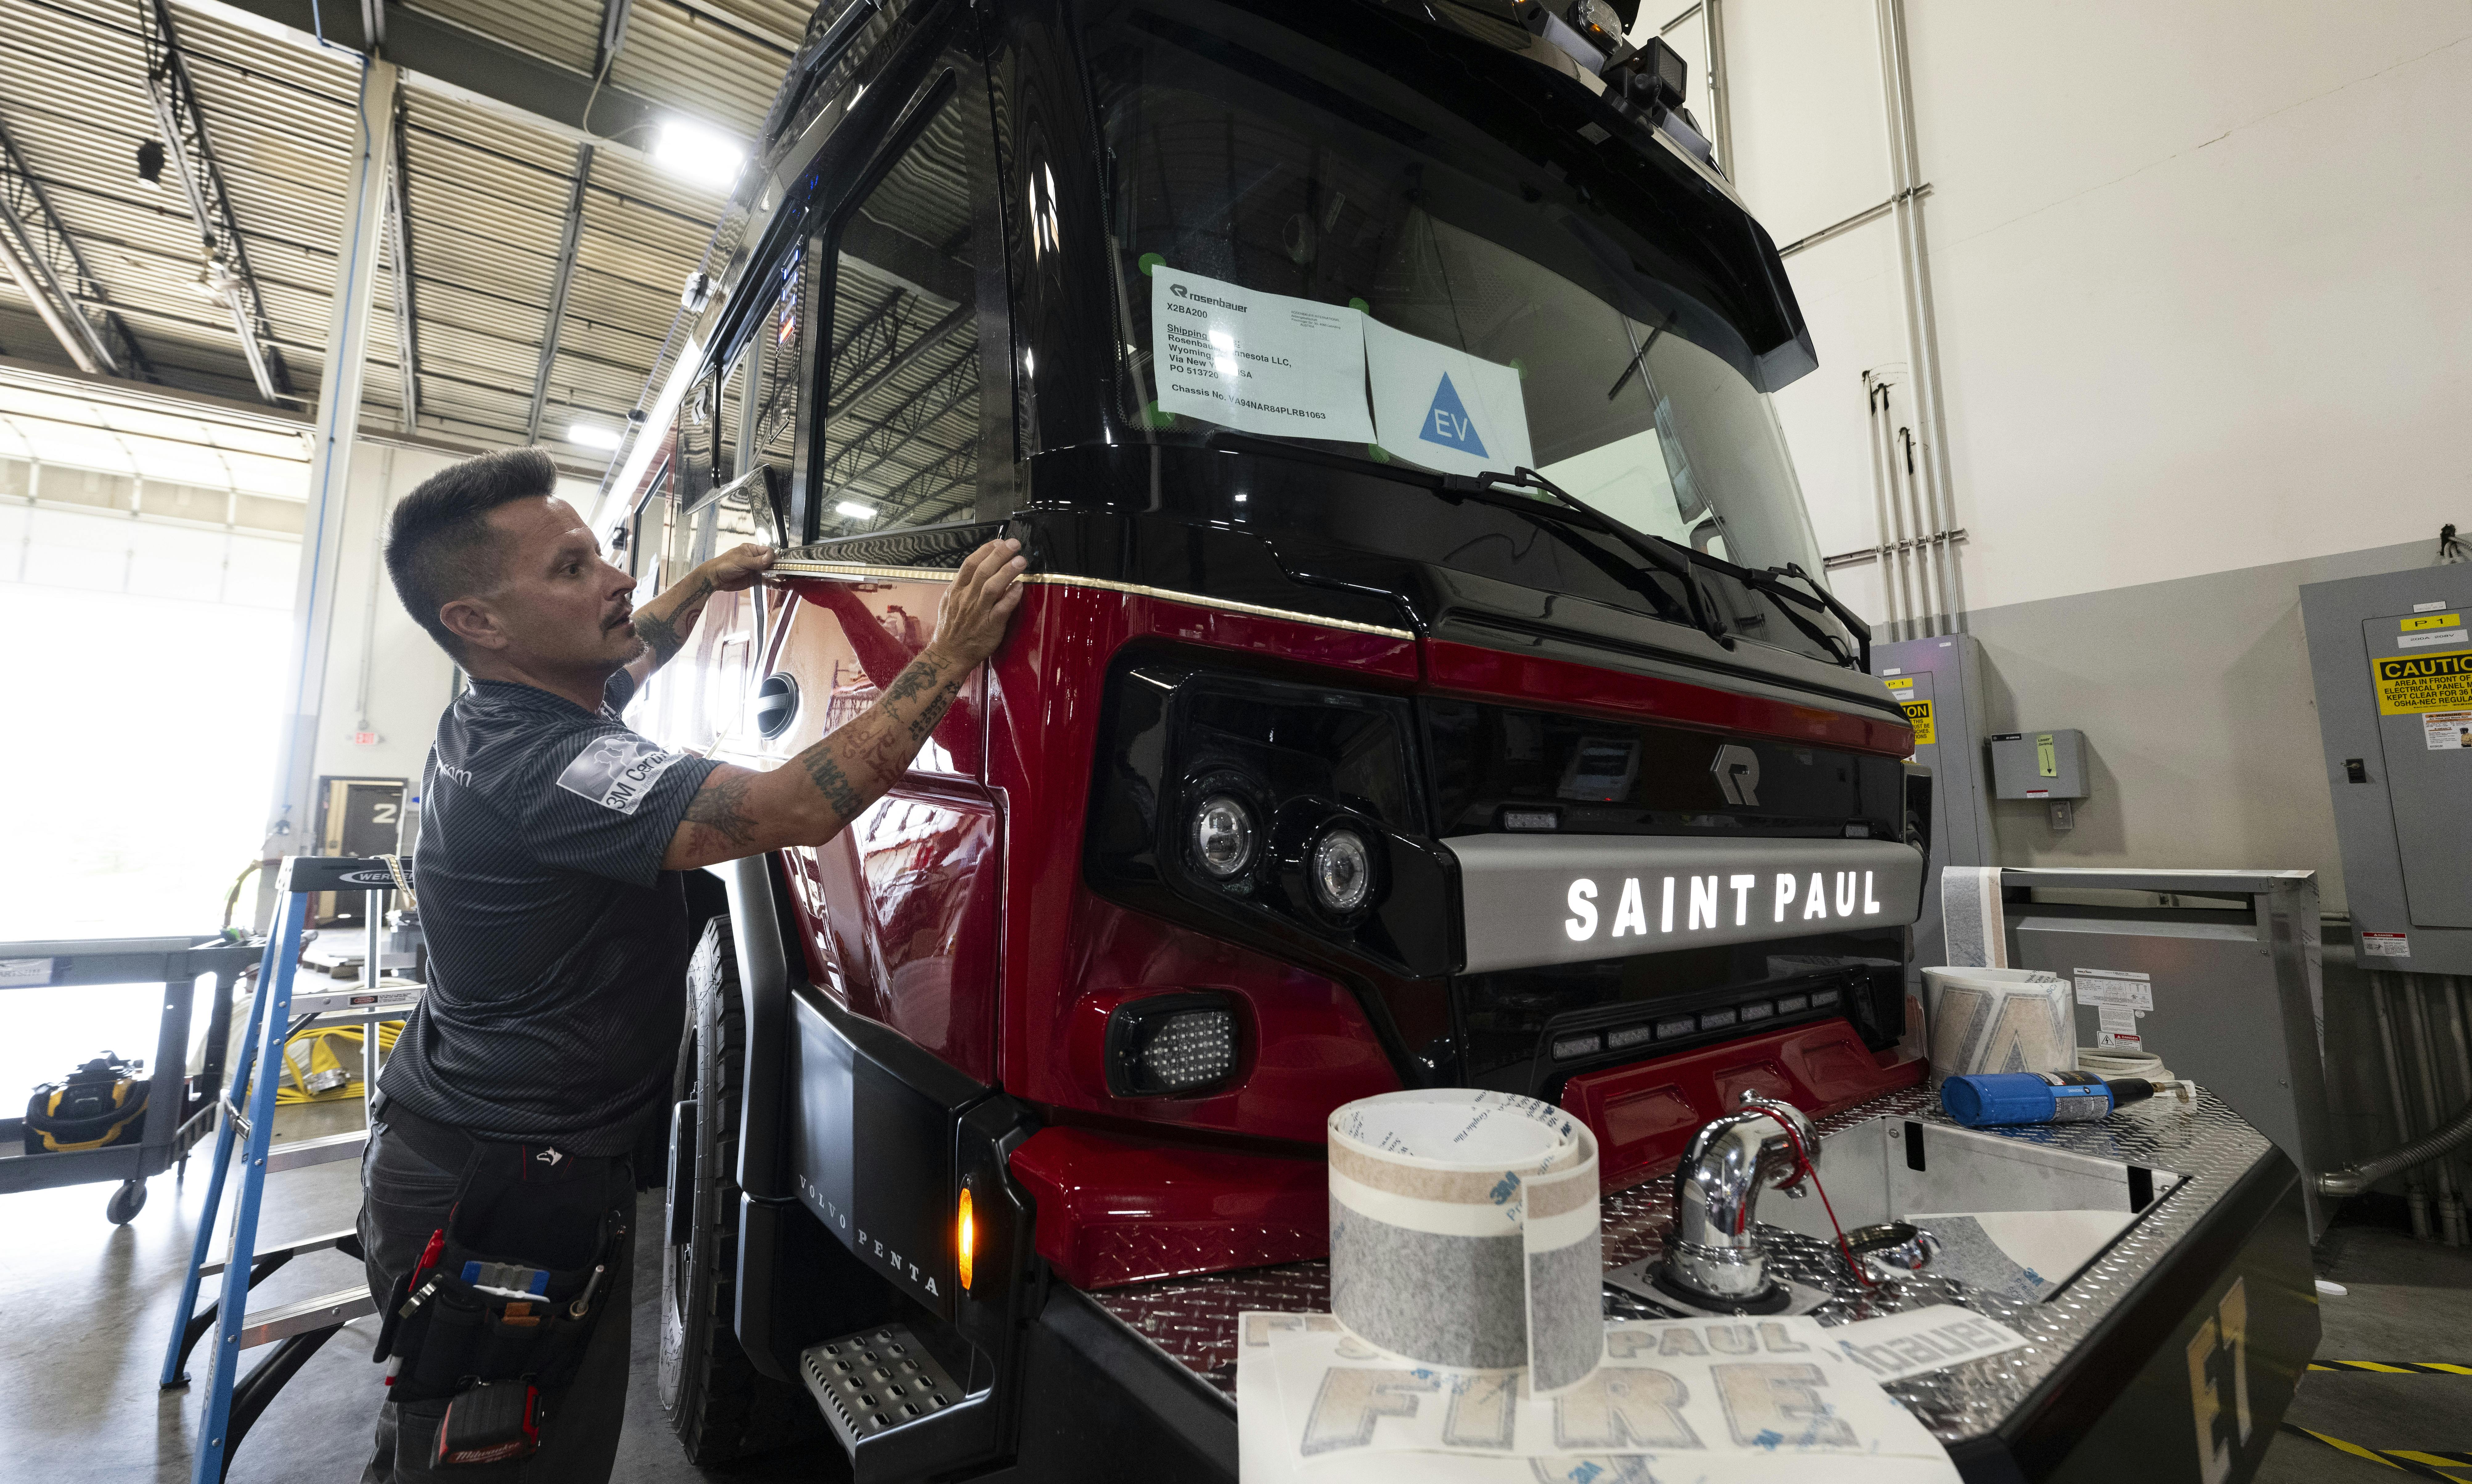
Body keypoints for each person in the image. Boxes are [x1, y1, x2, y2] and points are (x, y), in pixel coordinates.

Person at [363, 448, 1024, 1479]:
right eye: (572, 571)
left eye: (602, 556)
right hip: (499, 1191)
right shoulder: (549, 763)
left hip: (491, 1154)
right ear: (478, 624)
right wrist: (951, 653)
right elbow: (792, 809)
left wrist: (704, 584)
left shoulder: (528, 705)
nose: (615, 581)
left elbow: (638, 650)